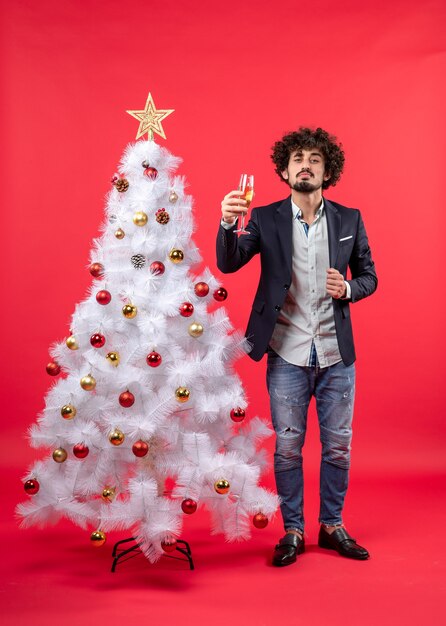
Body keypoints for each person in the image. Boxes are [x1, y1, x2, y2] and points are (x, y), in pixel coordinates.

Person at [216, 127, 377, 567]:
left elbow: (369, 276)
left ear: (328, 171)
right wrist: (229, 222)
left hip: (336, 356)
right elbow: (229, 263)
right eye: (297, 159)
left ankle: (331, 526)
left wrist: (347, 287)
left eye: (315, 159)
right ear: (285, 171)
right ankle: (293, 531)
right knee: (288, 447)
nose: (305, 165)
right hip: (285, 352)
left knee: (338, 445)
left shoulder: (350, 219)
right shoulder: (266, 219)